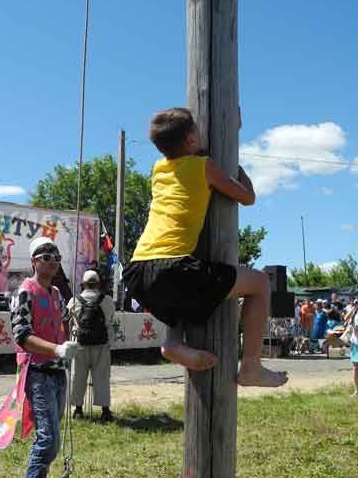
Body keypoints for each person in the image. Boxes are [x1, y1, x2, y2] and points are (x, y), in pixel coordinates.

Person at [123, 107, 287, 388]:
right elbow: (247, 197)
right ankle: (251, 366)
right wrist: (235, 164)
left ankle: (172, 343)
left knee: (180, 298)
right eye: (198, 129)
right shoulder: (204, 166)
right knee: (260, 283)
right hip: (172, 267)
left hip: (137, 270)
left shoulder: (159, 169)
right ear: (190, 139)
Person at [11, 236, 78, 478]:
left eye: (56, 257)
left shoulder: (56, 293)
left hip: (57, 371)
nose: (52, 261)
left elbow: (64, 319)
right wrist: (56, 349)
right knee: (47, 439)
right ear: (34, 261)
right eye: (46, 256)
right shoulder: (25, 292)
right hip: (38, 372)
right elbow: (21, 335)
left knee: (52, 440)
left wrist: (70, 336)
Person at [68, 270, 116, 422]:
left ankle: (78, 409)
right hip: (101, 344)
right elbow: (111, 319)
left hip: (80, 343)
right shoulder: (107, 300)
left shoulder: (74, 300)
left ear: (83, 283)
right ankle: (105, 411)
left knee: (78, 376)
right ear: (98, 284)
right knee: (102, 376)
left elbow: (69, 320)